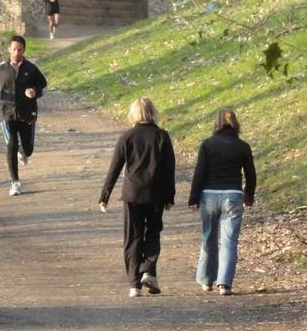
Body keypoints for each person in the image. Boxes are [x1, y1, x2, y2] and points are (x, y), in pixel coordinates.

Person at [99, 98, 176, 297]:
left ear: (133, 114)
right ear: (153, 112)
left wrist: (105, 195)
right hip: (155, 193)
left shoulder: (128, 136)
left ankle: (134, 284)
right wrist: (170, 196)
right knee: (153, 232)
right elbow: (169, 169)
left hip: (132, 193)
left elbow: (115, 167)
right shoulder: (162, 136)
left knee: (132, 237)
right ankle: (149, 270)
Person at [189, 109, 257, 296]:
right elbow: (251, 174)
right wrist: (248, 196)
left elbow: (200, 172)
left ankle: (206, 280)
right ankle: (224, 284)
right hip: (233, 195)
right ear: (236, 124)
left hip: (209, 195)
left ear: (216, 124)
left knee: (208, 237)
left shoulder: (208, 144)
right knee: (229, 241)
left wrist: (193, 198)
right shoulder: (243, 146)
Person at [0, 35, 48, 196]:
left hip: (27, 115)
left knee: (28, 149)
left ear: (24, 50)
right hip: (7, 114)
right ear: (9, 49)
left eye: (20, 49)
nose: (16, 52)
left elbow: (43, 85)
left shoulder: (31, 69)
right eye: (14, 49)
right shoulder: (1, 68)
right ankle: (15, 183)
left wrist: (35, 92)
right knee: (11, 144)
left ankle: (22, 152)